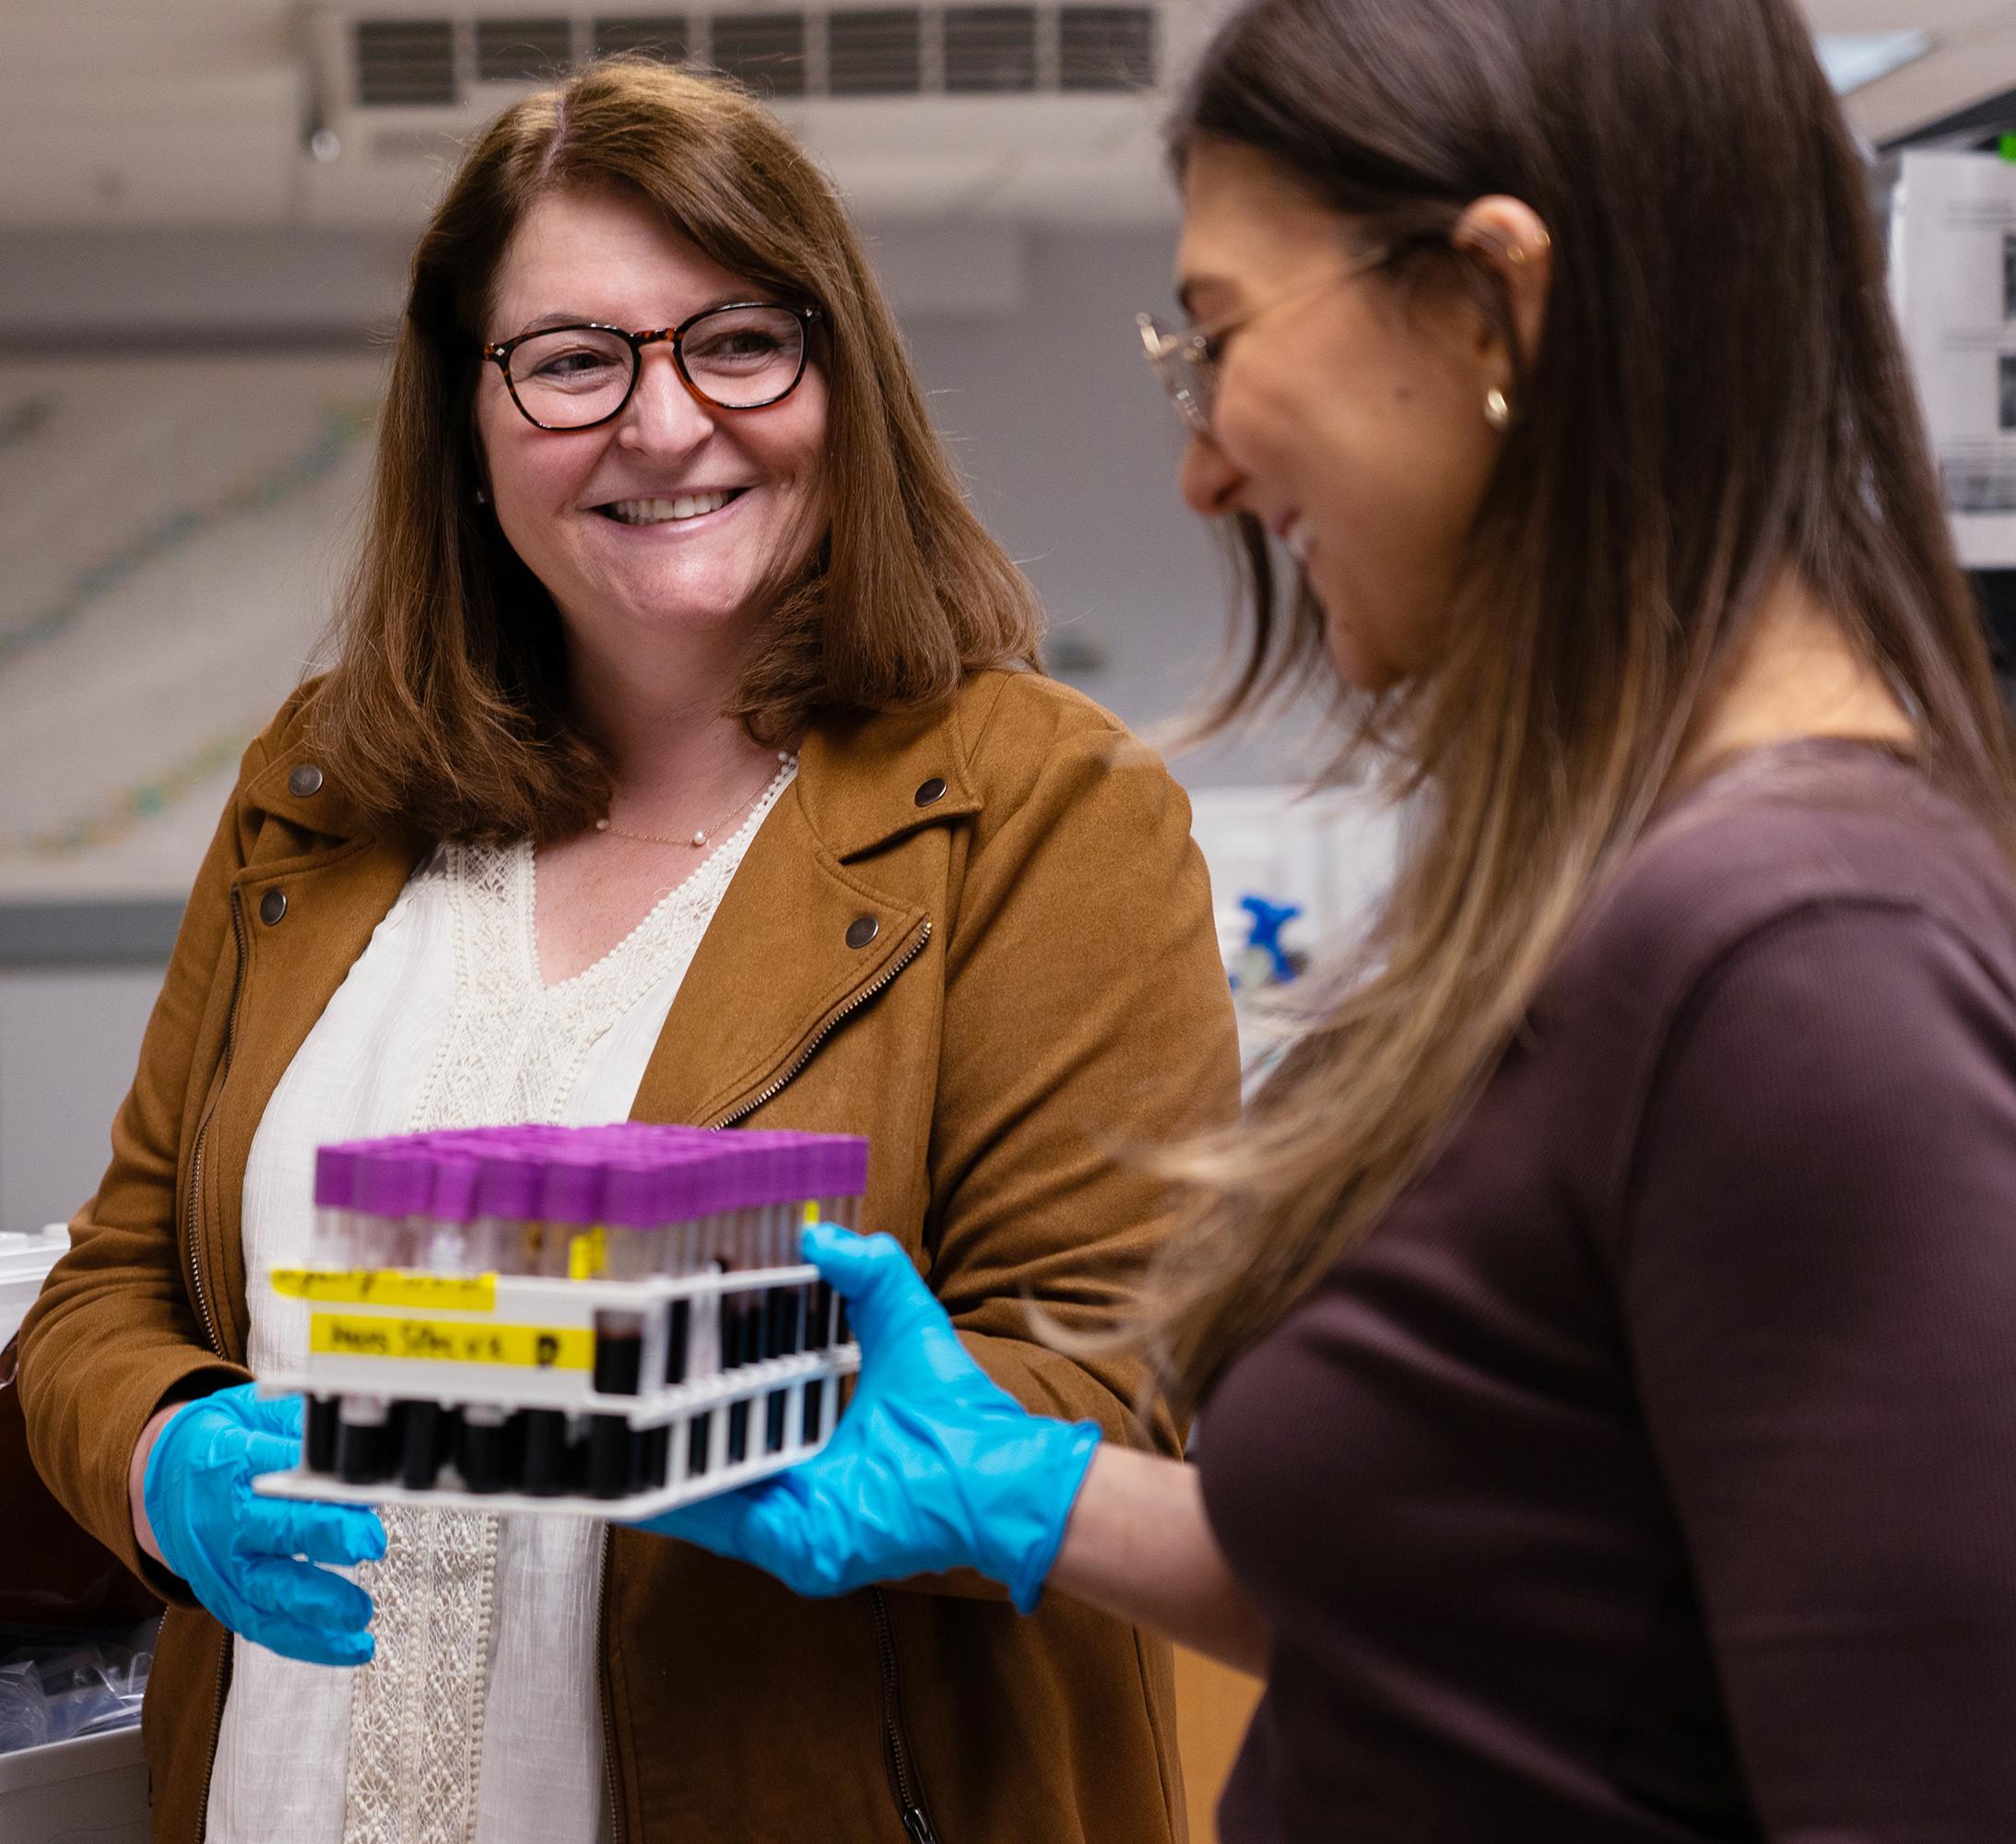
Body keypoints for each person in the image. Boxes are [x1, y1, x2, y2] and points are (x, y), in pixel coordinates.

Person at [645, 1, 2016, 1838]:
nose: (1203, 466)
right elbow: (1514, 1621)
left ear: (1486, 303)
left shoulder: (1796, 962)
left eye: (1215, 337)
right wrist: (1014, 1490)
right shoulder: (1628, 902)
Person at [17, 57, 1237, 1844]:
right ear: (467, 416)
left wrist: (745, 1412)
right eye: (574, 359)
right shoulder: (321, 793)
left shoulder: (1043, 811)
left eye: (737, 339)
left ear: (840, 379)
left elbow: (1117, 1396)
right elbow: (109, 1287)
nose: (662, 424)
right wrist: (160, 1447)